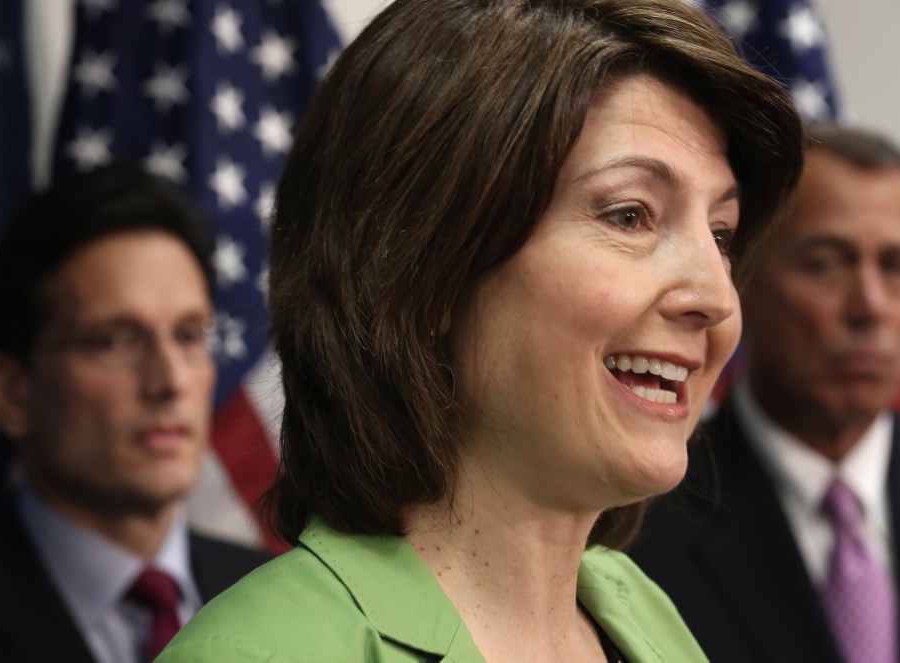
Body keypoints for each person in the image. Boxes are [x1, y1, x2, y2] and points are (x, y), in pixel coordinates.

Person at [158, 0, 803, 661]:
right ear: (424, 269)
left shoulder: (640, 612)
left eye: (720, 233)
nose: (717, 299)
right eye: (630, 214)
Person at [629, 122, 900, 663]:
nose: (871, 307)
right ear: (745, 277)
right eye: (825, 264)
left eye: (896, 266)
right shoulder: (639, 520)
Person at [0, 164, 271, 663]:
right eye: (114, 341)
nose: (170, 382)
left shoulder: (277, 598)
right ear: (9, 393)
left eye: (189, 335)